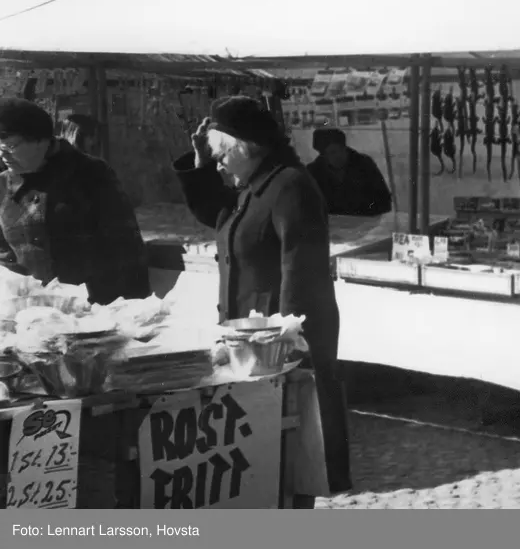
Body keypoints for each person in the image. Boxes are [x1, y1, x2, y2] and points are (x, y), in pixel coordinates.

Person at [173, 97, 352, 502]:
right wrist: (201, 161)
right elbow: (214, 216)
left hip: (275, 349)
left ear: (246, 146)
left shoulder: (289, 185)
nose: (218, 163)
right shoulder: (252, 188)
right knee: (259, 459)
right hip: (252, 345)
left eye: (221, 152)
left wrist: (286, 350)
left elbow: (301, 274)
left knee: (288, 462)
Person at [0, 98, 150, 304]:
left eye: (10, 145)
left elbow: (125, 245)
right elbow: (3, 251)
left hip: (93, 309)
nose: (2, 154)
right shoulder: (2, 184)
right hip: (31, 311)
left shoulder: (90, 173)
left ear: (40, 140)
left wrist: (125, 309)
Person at [306, 128, 392, 217]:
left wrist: (366, 213)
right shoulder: (314, 171)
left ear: (344, 148)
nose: (335, 156)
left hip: (366, 222)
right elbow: (308, 204)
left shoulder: (364, 164)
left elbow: (384, 199)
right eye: (328, 153)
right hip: (333, 225)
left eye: (336, 151)